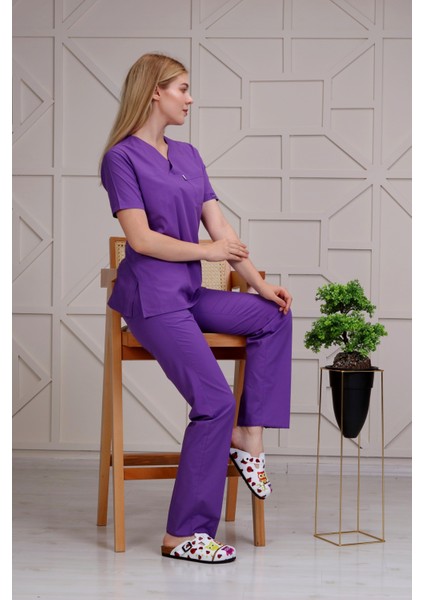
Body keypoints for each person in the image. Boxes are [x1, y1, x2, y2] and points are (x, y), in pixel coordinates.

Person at [100, 53, 292, 564]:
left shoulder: (188, 155)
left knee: (273, 315)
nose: (190, 98)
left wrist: (260, 284)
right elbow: (141, 239)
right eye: (182, 88)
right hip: (152, 301)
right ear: (154, 91)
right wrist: (208, 253)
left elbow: (221, 230)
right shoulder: (120, 158)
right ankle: (182, 535)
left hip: (188, 293)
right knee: (214, 401)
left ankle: (248, 437)